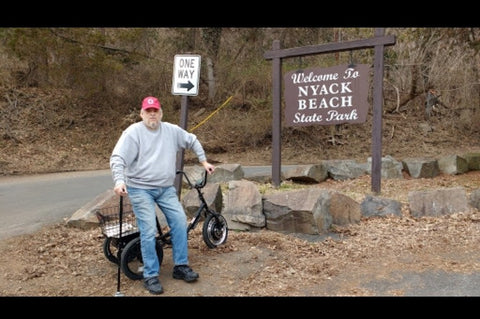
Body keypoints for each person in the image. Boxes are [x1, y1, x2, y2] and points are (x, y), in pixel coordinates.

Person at [110, 96, 215, 295]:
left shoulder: (171, 131)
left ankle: (180, 267)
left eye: (155, 111)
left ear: (161, 113)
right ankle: (150, 275)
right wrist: (119, 180)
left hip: (165, 189)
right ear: (141, 114)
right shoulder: (133, 133)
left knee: (179, 222)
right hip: (140, 188)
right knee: (148, 231)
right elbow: (118, 157)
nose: (152, 114)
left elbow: (192, 139)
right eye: (148, 111)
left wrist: (204, 162)